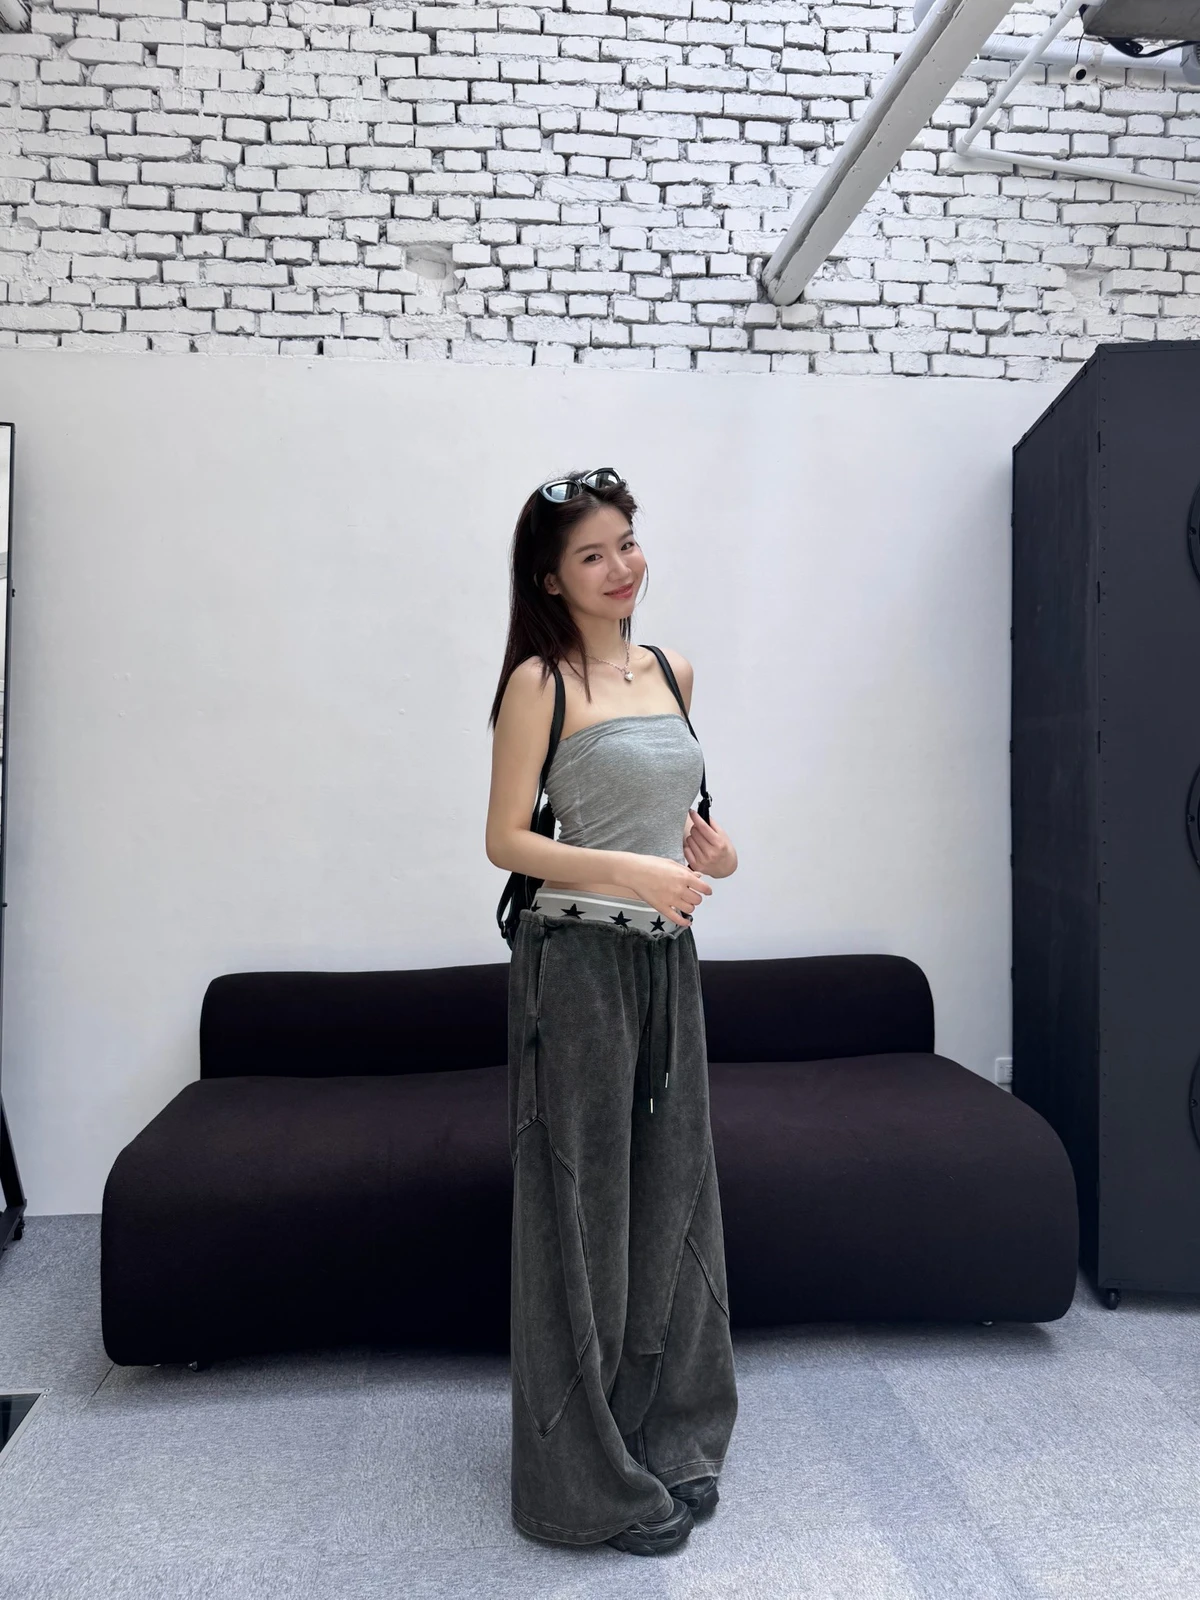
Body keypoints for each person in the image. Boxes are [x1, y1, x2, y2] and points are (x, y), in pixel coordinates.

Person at [485, 467, 739, 1556]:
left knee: (675, 1196)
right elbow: (506, 840)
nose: (621, 566)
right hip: (576, 966)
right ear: (552, 578)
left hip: (667, 964)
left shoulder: (672, 671)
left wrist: (716, 856)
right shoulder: (539, 682)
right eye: (592, 554)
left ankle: (666, 1433)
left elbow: (685, 823)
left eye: (627, 542)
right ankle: (579, 1482)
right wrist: (634, 875)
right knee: (578, 1209)